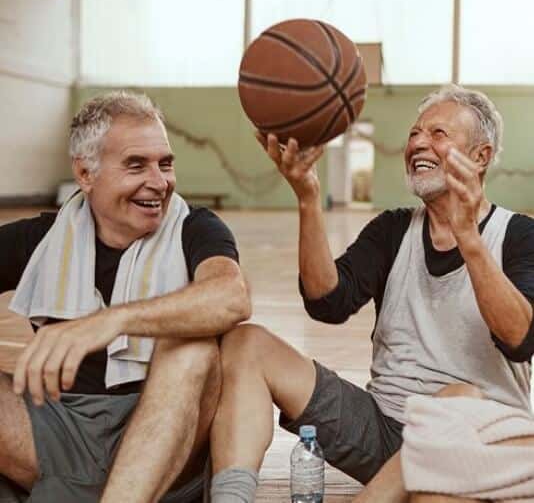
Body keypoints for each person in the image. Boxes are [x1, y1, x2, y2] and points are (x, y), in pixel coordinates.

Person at [208, 84, 534, 502]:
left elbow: (520, 338)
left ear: (480, 156)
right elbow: (327, 301)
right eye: (415, 132)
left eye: (438, 134)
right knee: (245, 342)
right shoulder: (393, 229)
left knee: (456, 399)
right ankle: (231, 498)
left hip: (471, 438)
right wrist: (308, 196)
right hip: (383, 427)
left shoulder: (520, 235)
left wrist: (468, 237)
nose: (418, 142)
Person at [0, 91, 251, 503]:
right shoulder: (42, 240)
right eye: (136, 165)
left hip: (162, 441)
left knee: (191, 350)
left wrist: (111, 320)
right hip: (55, 431)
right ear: (85, 174)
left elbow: (231, 297)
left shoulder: (196, 228)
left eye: (165, 163)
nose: (158, 181)